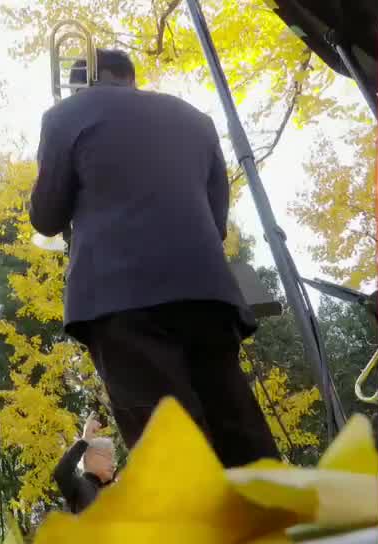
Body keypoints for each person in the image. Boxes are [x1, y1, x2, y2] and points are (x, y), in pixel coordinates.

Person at [29, 49, 280, 469]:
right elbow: (217, 221)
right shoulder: (194, 118)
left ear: (78, 84)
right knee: (239, 430)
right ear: (130, 76)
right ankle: (275, 508)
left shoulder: (64, 115)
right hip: (206, 291)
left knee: (170, 450)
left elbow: (46, 216)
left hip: (119, 297)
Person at [52, 413, 117, 514]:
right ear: (90, 457)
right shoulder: (78, 486)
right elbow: (61, 473)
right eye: (108, 457)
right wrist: (85, 440)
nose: (113, 465)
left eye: (113, 460)